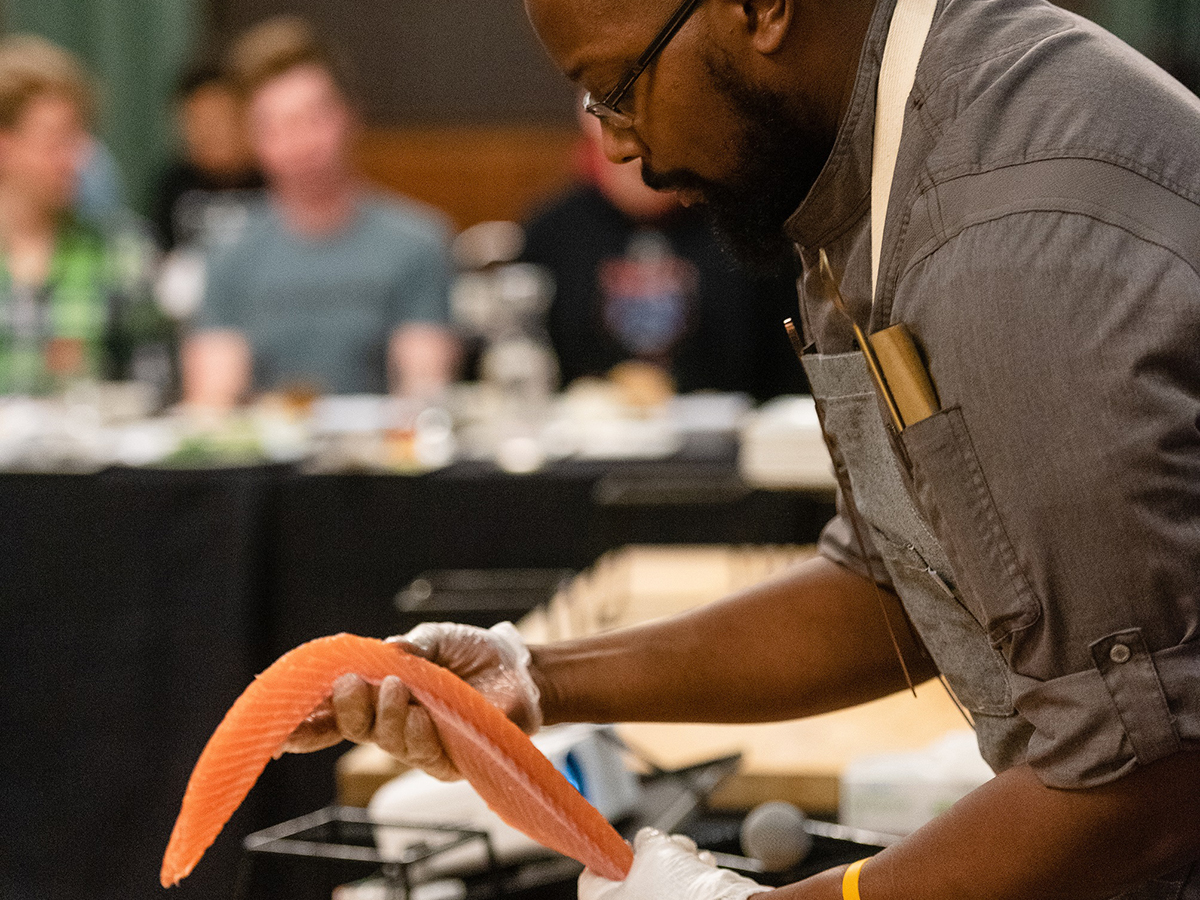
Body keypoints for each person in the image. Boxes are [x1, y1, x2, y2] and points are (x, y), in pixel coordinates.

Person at [283, 1, 1200, 899]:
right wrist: (533, 679)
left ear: (759, 10)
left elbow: (1145, 786)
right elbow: (904, 581)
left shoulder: (1002, 239)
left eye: (618, 90)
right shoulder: (870, 153)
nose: (615, 145)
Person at [183, 17, 458, 407]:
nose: (301, 142)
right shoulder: (229, 251)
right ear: (254, 140)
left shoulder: (417, 243)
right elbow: (211, 402)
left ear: (351, 116)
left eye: (315, 118)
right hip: (265, 460)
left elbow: (424, 390)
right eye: (277, 126)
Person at [522, 104, 806, 400]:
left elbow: (790, 375)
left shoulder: (748, 226)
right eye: (617, 131)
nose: (638, 158)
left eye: (652, 141)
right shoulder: (550, 233)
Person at [0, 36, 167, 396]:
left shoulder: (122, 249)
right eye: (55, 141)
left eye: (77, 140)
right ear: (5, 146)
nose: (74, 159)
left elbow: (154, 385)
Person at [151, 63, 265, 252]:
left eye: (216, 120)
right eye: (194, 122)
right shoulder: (173, 186)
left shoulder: (274, 182)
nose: (206, 134)